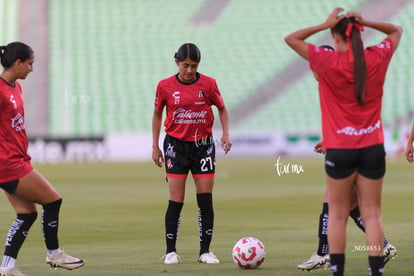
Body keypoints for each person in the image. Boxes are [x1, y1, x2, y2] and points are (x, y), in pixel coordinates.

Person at [285, 7, 402, 276]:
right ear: (360, 34)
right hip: (373, 147)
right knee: (372, 214)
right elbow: (397, 31)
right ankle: (376, 272)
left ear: (336, 38)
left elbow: (291, 39)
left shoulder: (327, 62)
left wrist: (324, 24)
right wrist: (366, 20)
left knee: (337, 214)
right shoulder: (376, 57)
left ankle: (337, 270)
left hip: (340, 149)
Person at [0, 42, 85, 276]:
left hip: (17, 160)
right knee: (53, 200)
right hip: (9, 165)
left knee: (27, 214)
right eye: (29, 64)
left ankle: (7, 267)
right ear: (17, 63)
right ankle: (54, 255)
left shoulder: (15, 87)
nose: (31, 68)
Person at [152, 43, 231, 265]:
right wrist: (155, 145)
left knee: (205, 199)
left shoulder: (209, 84)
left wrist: (225, 134)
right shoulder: (164, 86)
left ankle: (205, 251)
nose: (189, 70)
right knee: (176, 200)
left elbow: (222, 108)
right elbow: (157, 115)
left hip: (203, 145)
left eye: (193, 66)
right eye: (185, 65)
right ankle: (170, 251)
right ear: (176, 62)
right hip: (175, 146)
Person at [297, 141, 397, 271]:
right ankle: (384, 247)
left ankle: (323, 254)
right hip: (371, 149)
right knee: (356, 206)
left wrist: (331, 142)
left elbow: (345, 126)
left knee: (332, 201)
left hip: (346, 149)